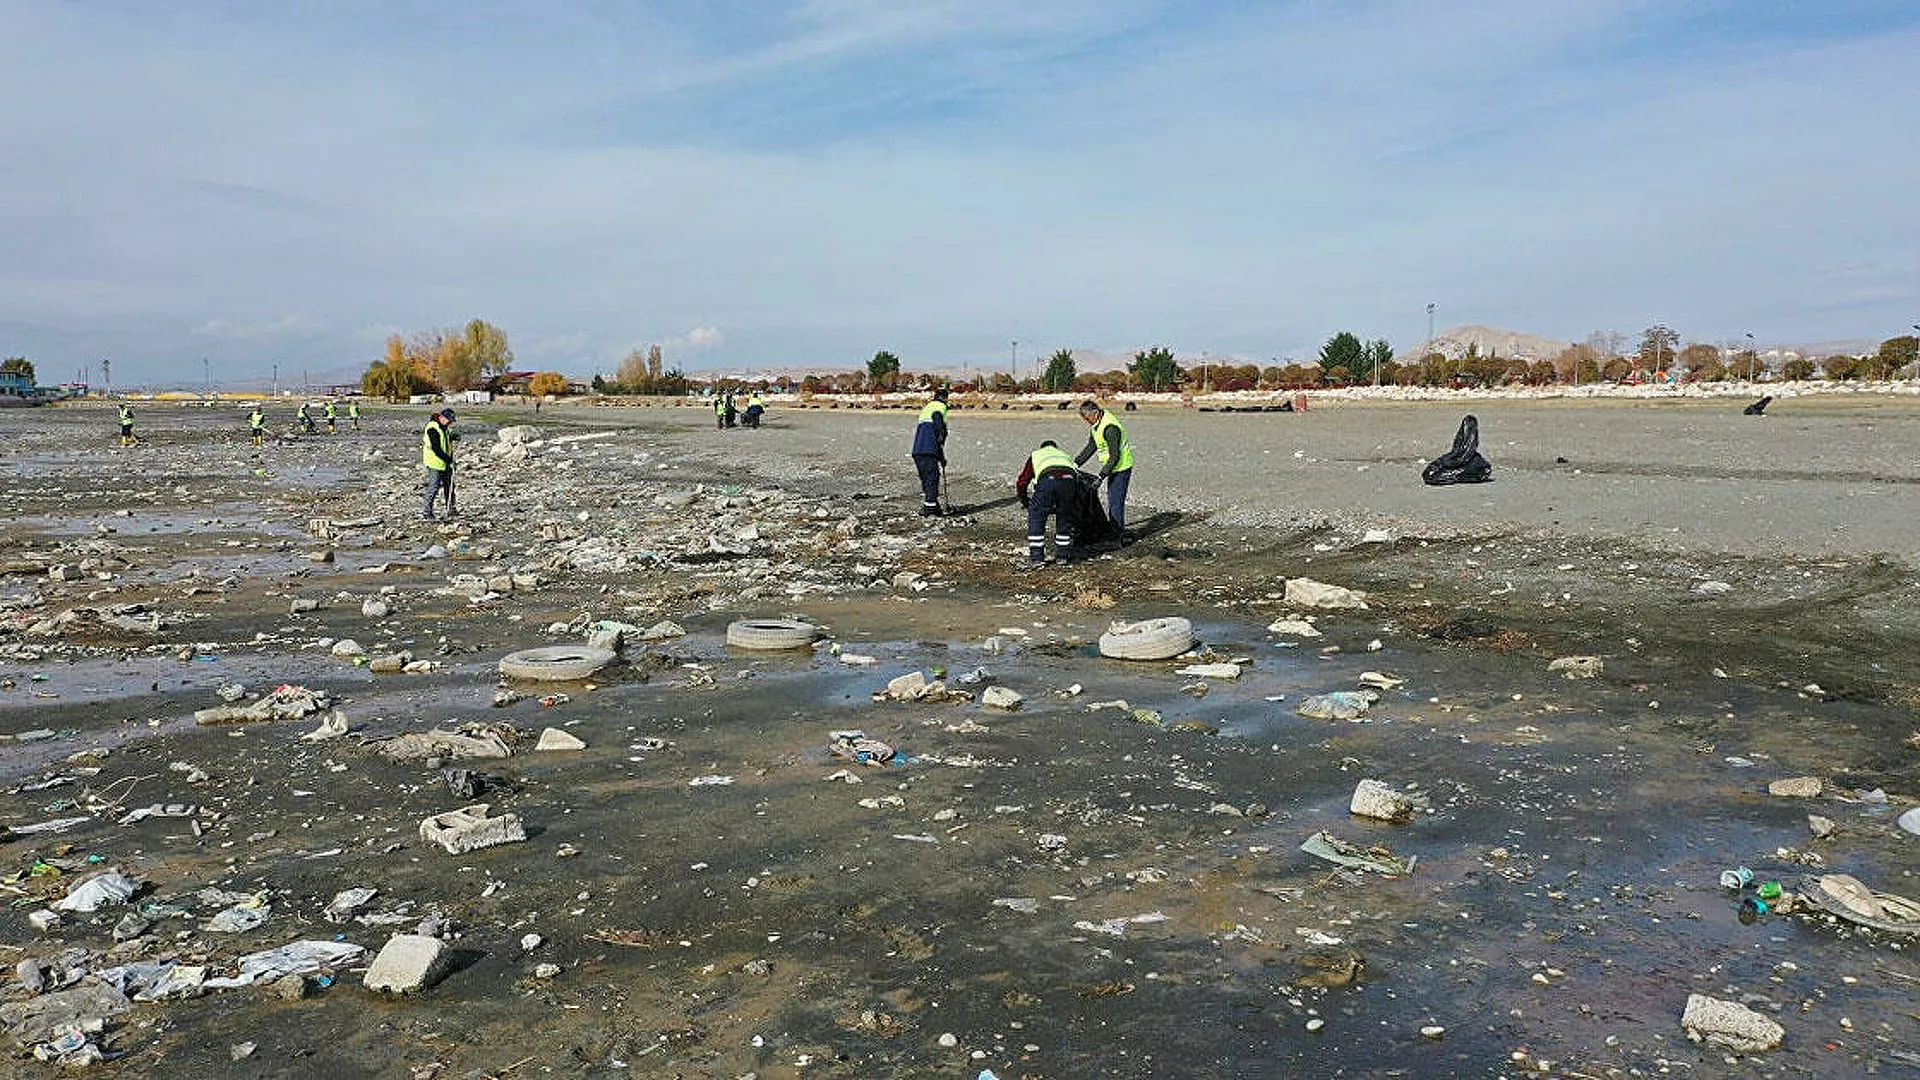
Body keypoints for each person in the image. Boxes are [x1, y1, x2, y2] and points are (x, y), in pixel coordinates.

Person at [1015, 440, 1097, 564]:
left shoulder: (1036, 455)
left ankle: (1037, 558)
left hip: (1048, 480)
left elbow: (1022, 482)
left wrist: (1026, 502)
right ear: (1055, 448)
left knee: (1037, 515)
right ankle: (1062, 555)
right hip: (1069, 482)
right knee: (1065, 515)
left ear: (1042, 447)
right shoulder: (1064, 455)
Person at [1073, 399, 1134, 539]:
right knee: (1112, 498)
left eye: (1087, 418)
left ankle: (1117, 534)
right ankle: (1115, 528)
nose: (1087, 421)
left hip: (1121, 468)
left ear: (1095, 413)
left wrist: (1101, 476)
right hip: (1111, 467)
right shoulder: (1096, 425)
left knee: (1115, 501)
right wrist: (1075, 464)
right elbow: (1091, 447)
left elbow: (1115, 457)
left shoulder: (1110, 428)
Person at [909, 387, 950, 516]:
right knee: (932, 477)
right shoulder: (939, 407)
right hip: (929, 449)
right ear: (944, 398)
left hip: (918, 450)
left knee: (926, 478)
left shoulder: (927, 407)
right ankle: (930, 508)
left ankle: (932, 504)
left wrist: (941, 457)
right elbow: (938, 427)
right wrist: (942, 435)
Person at [421, 408, 459, 519]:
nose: (450, 423)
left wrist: (452, 437)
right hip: (434, 462)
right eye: (449, 420)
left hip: (445, 462)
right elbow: (436, 448)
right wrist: (449, 460)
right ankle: (427, 512)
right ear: (442, 417)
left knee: (450, 485)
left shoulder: (444, 427)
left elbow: (445, 442)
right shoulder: (432, 428)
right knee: (434, 487)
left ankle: (450, 508)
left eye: (451, 421)